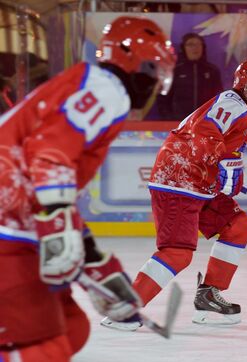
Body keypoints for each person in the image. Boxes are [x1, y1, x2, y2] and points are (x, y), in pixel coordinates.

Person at [0, 16, 175, 361]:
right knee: (41, 348)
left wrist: (98, 268)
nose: (155, 83)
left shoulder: (90, 85)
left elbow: (45, 186)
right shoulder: (107, 88)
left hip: (15, 222)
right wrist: (58, 224)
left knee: (71, 327)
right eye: (154, 69)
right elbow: (48, 155)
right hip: (8, 230)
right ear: (135, 61)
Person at [101, 60, 247, 330]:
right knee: (177, 253)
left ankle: (208, 294)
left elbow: (214, 148)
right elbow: (204, 134)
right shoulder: (233, 104)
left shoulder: (241, 112)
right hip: (178, 179)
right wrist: (227, 162)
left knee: (238, 226)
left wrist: (225, 167)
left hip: (197, 180)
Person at [156, 33, 223, 120]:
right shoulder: (175, 70)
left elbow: (219, 97)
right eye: (190, 44)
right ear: (183, 48)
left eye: (198, 44)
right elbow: (163, 99)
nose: (195, 48)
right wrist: (169, 118)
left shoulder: (212, 70)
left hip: (205, 123)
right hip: (179, 123)